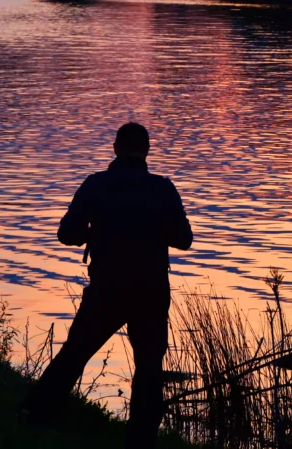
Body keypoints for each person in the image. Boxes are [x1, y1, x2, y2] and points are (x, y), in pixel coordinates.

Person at [22, 122, 193, 448]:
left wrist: (97, 233)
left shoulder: (96, 185)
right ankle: (141, 439)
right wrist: (153, 231)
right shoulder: (163, 188)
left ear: (115, 149)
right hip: (151, 290)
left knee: (76, 352)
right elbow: (184, 239)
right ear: (147, 150)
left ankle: (35, 414)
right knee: (149, 366)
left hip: (107, 287)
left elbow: (67, 234)